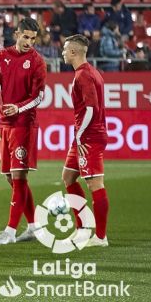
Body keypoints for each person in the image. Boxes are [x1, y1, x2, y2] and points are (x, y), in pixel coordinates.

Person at [0, 18, 47, 246]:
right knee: (11, 177)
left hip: (24, 124)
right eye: (26, 37)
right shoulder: (2, 57)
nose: (29, 42)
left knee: (19, 176)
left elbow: (39, 95)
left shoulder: (37, 61)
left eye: (33, 38)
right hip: (5, 123)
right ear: (16, 34)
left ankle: (10, 231)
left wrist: (19, 107)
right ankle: (33, 226)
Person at [60, 35, 110, 247]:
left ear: (73, 52)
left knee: (94, 183)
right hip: (84, 136)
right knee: (68, 177)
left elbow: (91, 108)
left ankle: (100, 237)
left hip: (89, 137)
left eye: (64, 49)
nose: (62, 53)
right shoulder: (90, 72)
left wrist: (80, 134)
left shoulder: (84, 75)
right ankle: (82, 229)